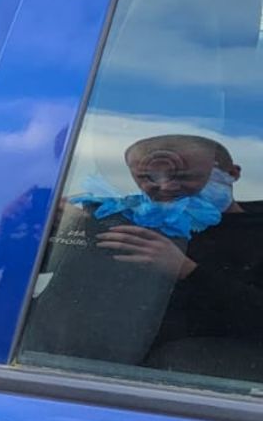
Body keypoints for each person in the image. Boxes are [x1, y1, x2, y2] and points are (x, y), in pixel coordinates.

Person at [23, 133, 263, 380]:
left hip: (199, 383)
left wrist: (186, 270)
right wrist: (64, 231)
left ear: (233, 173)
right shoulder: (119, 218)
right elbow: (16, 277)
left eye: (185, 176)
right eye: (148, 178)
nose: (166, 187)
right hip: (79, 372)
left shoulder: (255, 230)